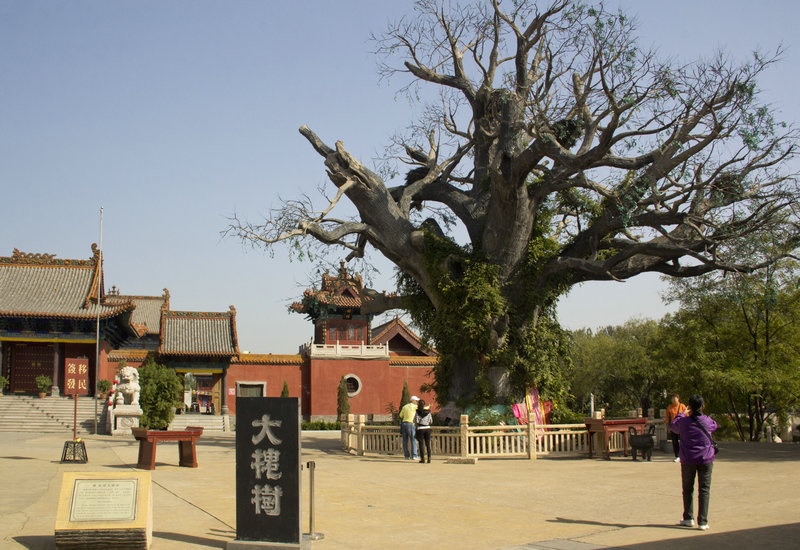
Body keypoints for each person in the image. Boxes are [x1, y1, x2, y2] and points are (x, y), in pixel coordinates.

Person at [670, 394, 718, 531]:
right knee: (704, 490)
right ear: (703, 406)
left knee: (687, 489)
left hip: (688, 459)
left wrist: (682, 414)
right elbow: (715, 426)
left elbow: (673, 426)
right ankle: (703, 521)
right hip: (706, 459)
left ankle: (688, 518)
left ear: (689, 407)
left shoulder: (684, 422)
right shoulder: (707, 421)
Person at [665, 394, 687, 462]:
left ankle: (684, 455)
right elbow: (667, 418)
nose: (673, 400)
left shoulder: (682, 406)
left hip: (682, 426)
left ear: (678, 398)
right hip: (673, 427)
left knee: (683, 441)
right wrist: (667, 427)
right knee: (675, 441)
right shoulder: (669, 407)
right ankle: (677, 456)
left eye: (675, 398)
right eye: (672, 398)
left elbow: (687, 416)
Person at [399, 395, 420, 460]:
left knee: (405, 440)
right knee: (413, 439)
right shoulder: (414, 406)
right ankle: (414, 455)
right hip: (410, 423)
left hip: (404, 423)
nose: (417, 402)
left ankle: (406, 456)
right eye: (416, 401)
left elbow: (400, 415)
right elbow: (423, 409)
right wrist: (429, 406)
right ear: (413, 401)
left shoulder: (404, 406)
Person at [414, 399, 433, 463]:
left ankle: (422, 458)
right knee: (428, 444)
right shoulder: (428, 412)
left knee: (421, 444)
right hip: (427, 428)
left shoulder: (417, 412)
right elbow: (431, 421)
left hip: (420, 428)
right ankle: (429, 458)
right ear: (424, 404)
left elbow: (416, 421)